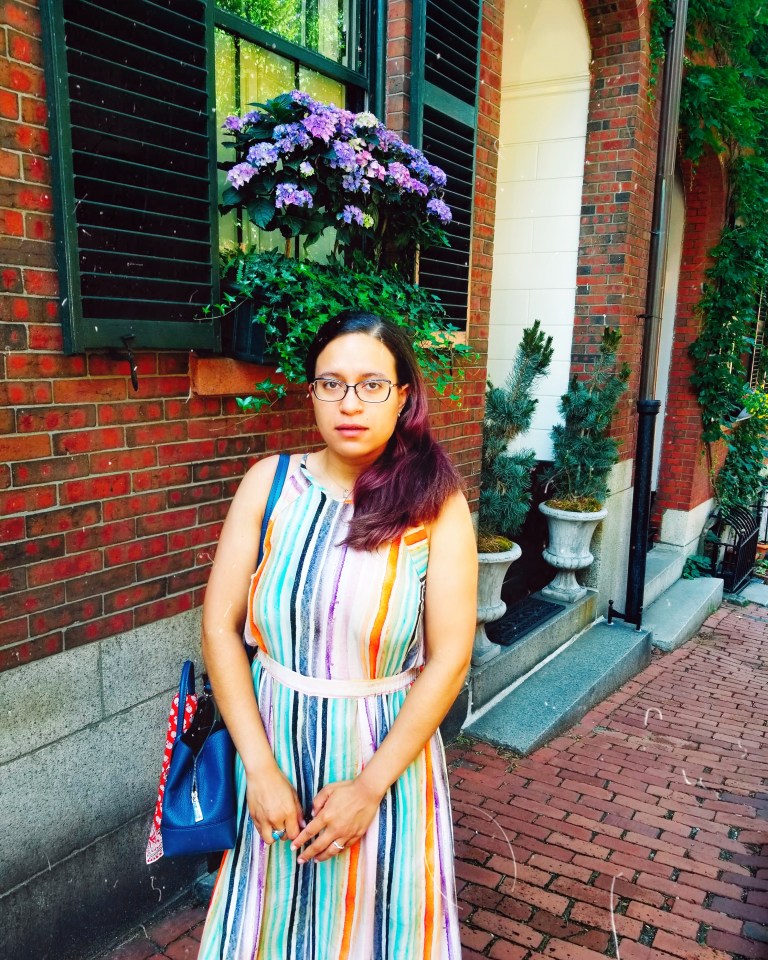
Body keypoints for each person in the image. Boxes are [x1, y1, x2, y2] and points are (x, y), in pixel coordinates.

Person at [197, 311, 477, 959]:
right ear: (313, 393)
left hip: (382, 763)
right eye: (332, 384)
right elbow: (219, 625)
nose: (350, 403)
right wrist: (260, 771)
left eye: (372, 385)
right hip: (277, 755)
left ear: (404, 396)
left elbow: (449, 658)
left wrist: (369, 787)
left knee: (378, 934)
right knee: (271, 932)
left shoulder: (435, 504)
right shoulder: (270, 484)